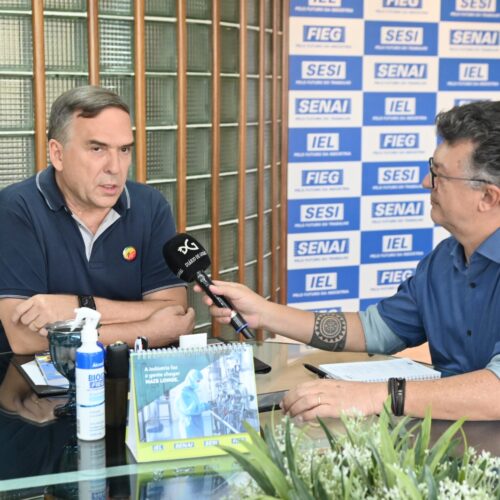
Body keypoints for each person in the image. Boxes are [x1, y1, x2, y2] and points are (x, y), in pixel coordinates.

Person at [196, 100, 500, 421]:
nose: (426, 183)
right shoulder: (442, 261)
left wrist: (372, 395)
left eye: (438, 175)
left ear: (488, 197)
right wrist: (263, 313)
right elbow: (375, 330)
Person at [0, 85, 195, 354]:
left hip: (129, 384)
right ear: (57, 154)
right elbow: (24, 339)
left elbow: (172, 312)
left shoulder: (151, 206)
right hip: (39, 390)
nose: (115, 167)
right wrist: (148, 331)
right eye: (97, 149)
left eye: (124, 150)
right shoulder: (15, 208)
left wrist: (76, 308)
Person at [175, 369, 211, 438]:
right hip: (189, 425)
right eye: (197, 381)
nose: (199, 383)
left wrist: (205, 405)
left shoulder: (191, 391)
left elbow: (195, 405)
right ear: (191, 379)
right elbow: (192, 409)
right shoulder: (183, 393)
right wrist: (206, 406)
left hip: (194, 424)